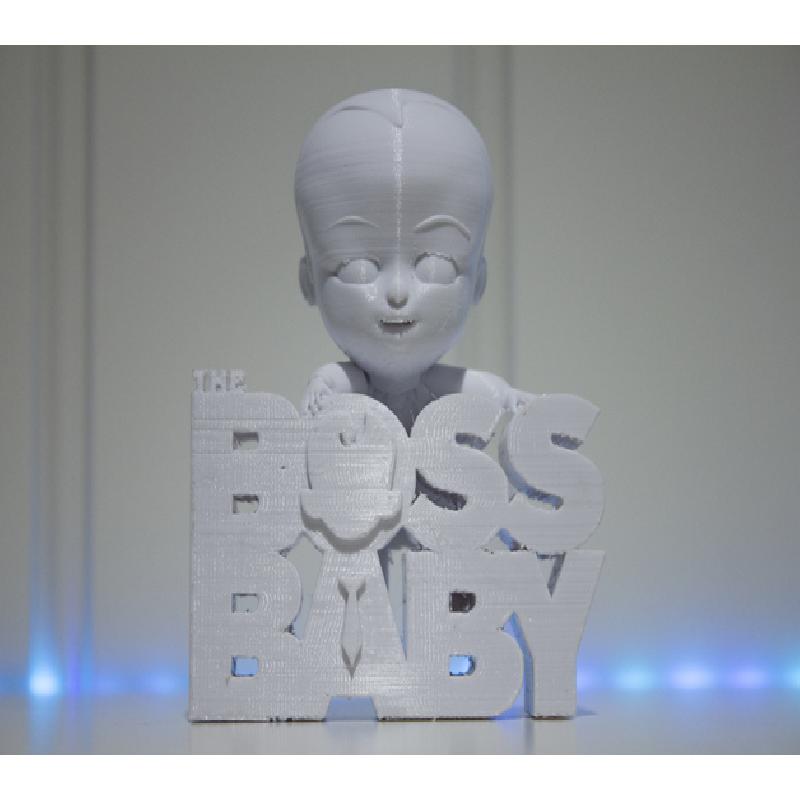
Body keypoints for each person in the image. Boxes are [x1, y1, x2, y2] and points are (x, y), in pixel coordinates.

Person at [295, 88, 531, 431]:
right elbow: (331, 380)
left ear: (479, 281)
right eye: (357, 269)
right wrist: (320, 389)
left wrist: (509, 398)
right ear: (308, 281)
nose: (397, 292)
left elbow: (483, 388)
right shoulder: (349, 382)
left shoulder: (441, 385)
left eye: (436, 268)